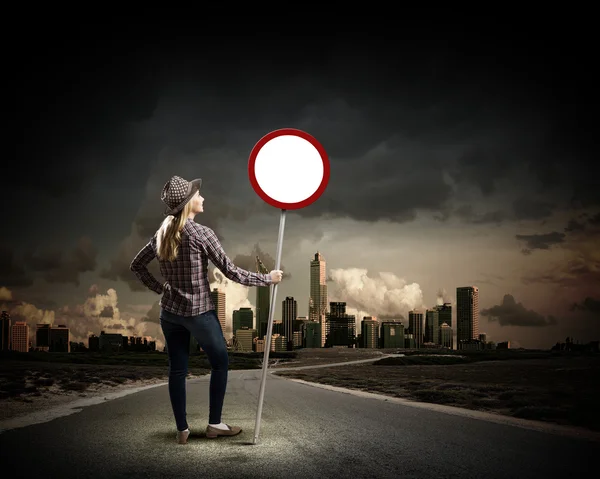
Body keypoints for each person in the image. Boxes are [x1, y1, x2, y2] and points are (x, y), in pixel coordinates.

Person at [130, 175, 283, 445]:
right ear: (189, 203)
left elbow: (137, 265)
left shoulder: (162, 233)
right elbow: (231, 272)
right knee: (221, 362)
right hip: (199, 313)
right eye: (197, 194)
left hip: (170, 313)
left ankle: (182, 431)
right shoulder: (202, 234)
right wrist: (267, 279)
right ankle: (214, 424)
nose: (202, 197)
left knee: (177, 369)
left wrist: (159, 288)